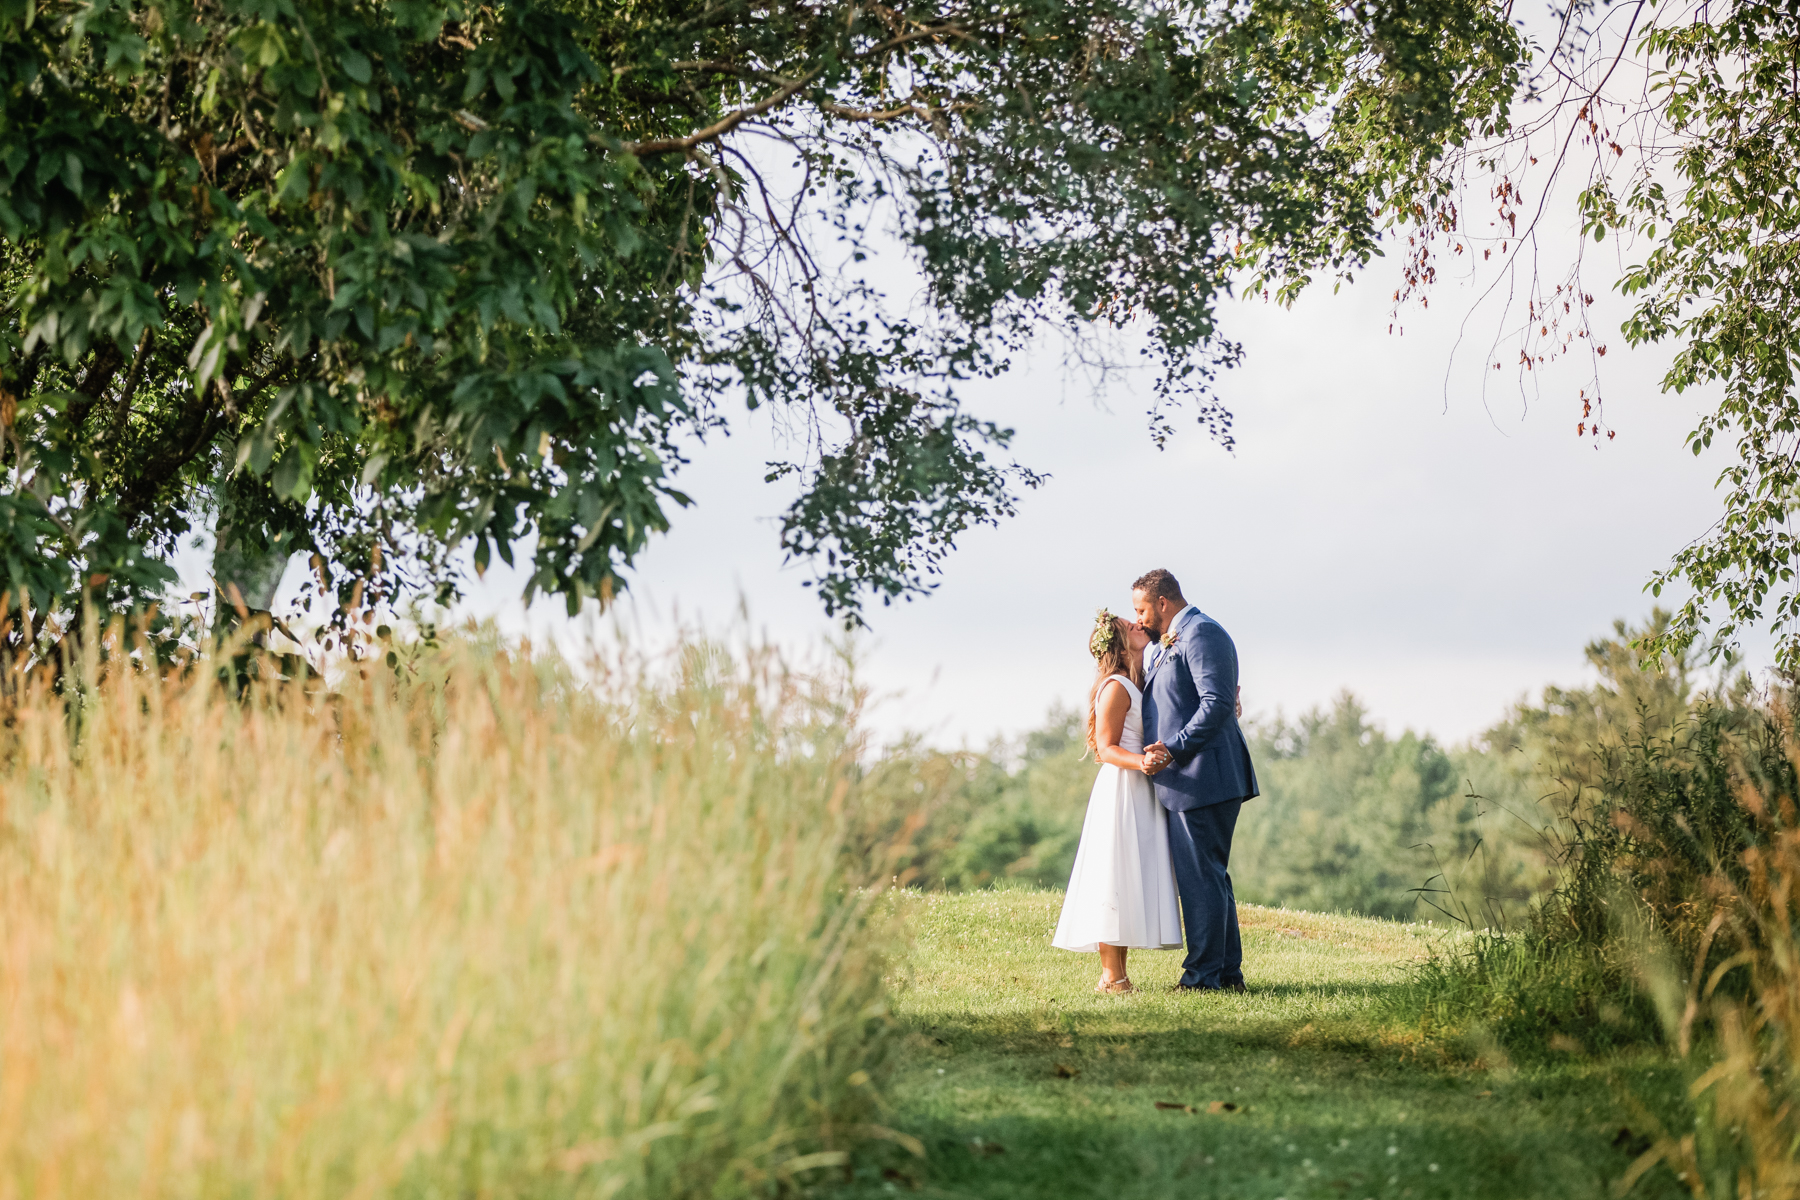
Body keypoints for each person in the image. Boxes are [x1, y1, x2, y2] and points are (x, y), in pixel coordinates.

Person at [1132, 568, 1259, 993]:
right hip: (1192, 779)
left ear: (1163, 603)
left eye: (1142, 609)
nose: (1139, 619)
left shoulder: (1202, 633)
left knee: (1201, 879)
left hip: (1203, 775)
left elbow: (1217, 703)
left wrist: (1173, 748)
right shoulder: (1169, 643)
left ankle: (1203, 978)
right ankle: (1226, 975)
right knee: (1209, 877)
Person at [1051, 610, 1183, 993]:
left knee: (1128, 875)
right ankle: (1111, 977)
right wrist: (1141, 762)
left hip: (1140, 788)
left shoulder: (1137, 682)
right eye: (1130, 626)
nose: (1140, 625)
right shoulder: (1116, 686)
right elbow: (1106, 749)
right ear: (1118, 643)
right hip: (1122, 786)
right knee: (1113, 875)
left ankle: (1117, 976)